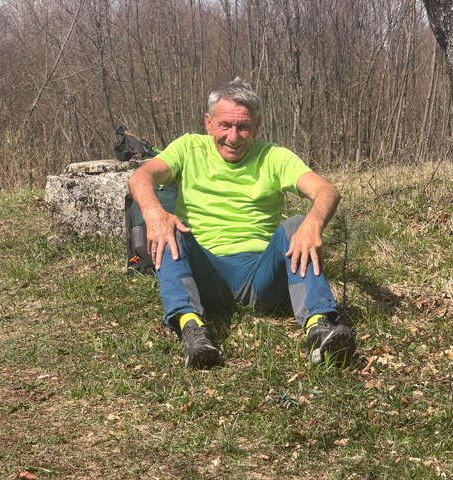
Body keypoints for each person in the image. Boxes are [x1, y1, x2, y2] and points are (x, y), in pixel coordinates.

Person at [128, 78, 356, 369]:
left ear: (256, 126)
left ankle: (319, 327)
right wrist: (154, 213)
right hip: (205, 274)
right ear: (208, 123)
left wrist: (314, 222)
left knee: (298, 224)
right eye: (225, 125)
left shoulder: (274, 157)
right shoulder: (187, 148)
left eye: (243, 127)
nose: (233, 137)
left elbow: (327, 190)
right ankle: (192, 329)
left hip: (262, 278)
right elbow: (141, 176)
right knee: (169, 228)